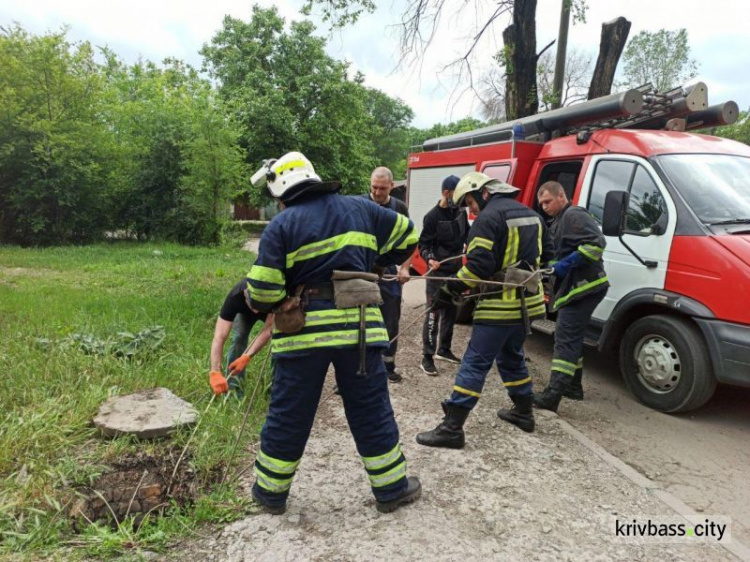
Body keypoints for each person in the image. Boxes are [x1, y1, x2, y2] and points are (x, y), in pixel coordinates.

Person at [246, 151, 421, 515]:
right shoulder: (362, 209)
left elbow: (262, 293)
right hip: (360, 331)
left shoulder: (281, 226)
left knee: (290, 412)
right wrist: (373, 259)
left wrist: (281, 295)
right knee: (371, 409)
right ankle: (390, 489)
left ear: (281, 190)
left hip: (303, 337)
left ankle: (270, 492)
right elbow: (409, 234)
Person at [416, 172, 553, 448]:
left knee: (475, 360)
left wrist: (449, 289)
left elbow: (478, 266)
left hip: (499, 306)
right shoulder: (533, 215)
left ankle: (452, 427)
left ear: (484, 193)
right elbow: (549, 254)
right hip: (528, 304)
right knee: (511, 355)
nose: (470, 209)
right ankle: (524, 412)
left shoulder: (488, 219)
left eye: (469, 202)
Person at [534, 181, 609, 411]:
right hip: (576, 289)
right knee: (570, 336)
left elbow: (596, 245)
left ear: (561, 195)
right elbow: (564, 252)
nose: (544, 207)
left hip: (584, 287)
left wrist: (565, 265)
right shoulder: (558, 221)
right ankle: (573, 388)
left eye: (547, 201)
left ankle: (553, 395)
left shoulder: (574, 214)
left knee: (565, 337)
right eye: (541, 204)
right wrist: (550, 266)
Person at [418, 175, 470, 376]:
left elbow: (468, 233)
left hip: (456, 270)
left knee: (451, 311)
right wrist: (429, 258)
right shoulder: (432, 217)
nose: (461, 200)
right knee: (433, 313)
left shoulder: (460, 212)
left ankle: (444, 349)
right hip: (437, 273)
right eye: (457, 195)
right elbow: (424, 245)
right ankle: (427, 357)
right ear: (446, 193)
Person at [364, 166, 411, 383]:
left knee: (390, 320)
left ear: (391, 186)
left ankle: (388, 366)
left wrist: (405, 267)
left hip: (389, 272)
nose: (377, 192)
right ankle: (356, 369)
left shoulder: (399, 208)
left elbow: (410, 241)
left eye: (382, 188)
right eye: (374, 187)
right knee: (358, 320)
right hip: (362, 270)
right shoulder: (361, 204)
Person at [208, 279, 273, 396]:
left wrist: (247, 356)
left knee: (280, 342)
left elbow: (268, 329)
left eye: (259, 306)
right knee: (239, 339)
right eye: (253, 306)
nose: (256, 311)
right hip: (244, 313)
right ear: (245, 294)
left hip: (271, 311)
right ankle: (234, 391)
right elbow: (219, 337)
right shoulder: (235, 297)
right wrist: (215, 371)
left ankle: (275, 388)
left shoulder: (274, 295)